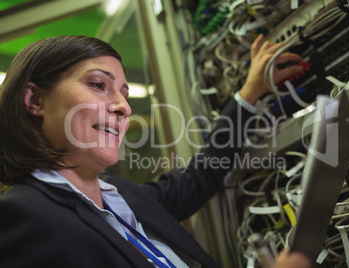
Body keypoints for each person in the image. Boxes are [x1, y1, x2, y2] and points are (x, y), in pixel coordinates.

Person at [0, 34, 310, 268]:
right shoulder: (21, 216)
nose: (124, 107)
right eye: (98, 84)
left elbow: (199, 177)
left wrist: (249, 94)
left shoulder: (120, 195)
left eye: (124, 93)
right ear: (34, 101)